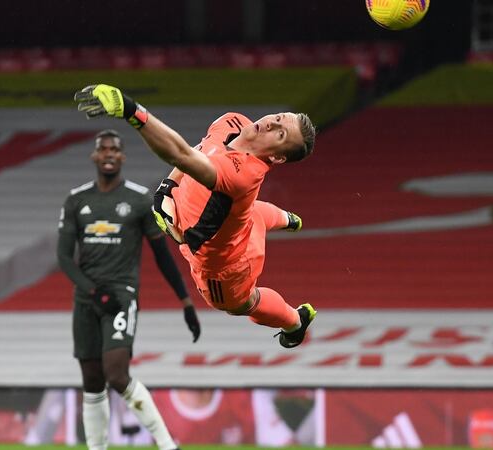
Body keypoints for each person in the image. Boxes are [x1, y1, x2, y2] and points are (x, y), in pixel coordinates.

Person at [73, 84, 317, 350]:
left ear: (277, 157)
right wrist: (167, 187)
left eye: (280, 134)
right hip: (237, 221)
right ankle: (286, 218)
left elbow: (181, 154)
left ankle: (295, 322)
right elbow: (198, 150)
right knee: (249, 214)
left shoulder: (242, 175)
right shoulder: (232, 121)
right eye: (278, 118)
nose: (270, 125)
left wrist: (133, 111)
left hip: (225, 266)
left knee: (240, 304)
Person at [57, 129, 201, 450]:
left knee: (117, 376)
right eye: (103, 149)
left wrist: (186, 302)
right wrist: (92, 292)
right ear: (95, 156)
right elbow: (64, 258)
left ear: (122, 157)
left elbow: (163, 256)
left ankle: (167, 445)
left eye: (115, 149)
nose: (108, 154)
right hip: (87, 299)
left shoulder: (138, 200)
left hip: (121, 297)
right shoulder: (77, 200)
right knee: (92, 382)